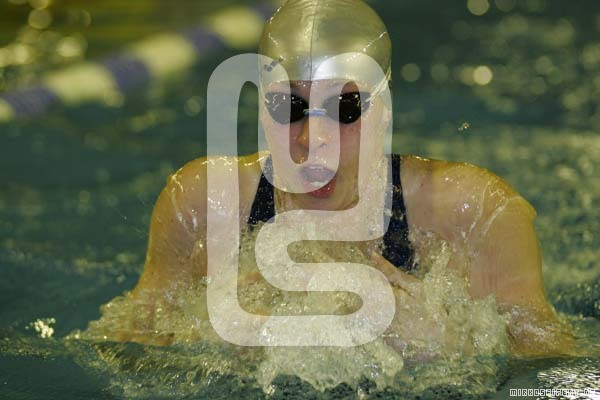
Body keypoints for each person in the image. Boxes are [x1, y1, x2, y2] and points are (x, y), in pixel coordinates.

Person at [122, 0, 571, 355]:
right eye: (288, 107)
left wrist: (456, 352)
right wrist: (200, 342)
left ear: (385, 111)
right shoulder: (204, 207)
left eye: (345, 108)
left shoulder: (475, 217)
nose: (312, 140)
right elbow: (116, 353)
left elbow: (565, 381)